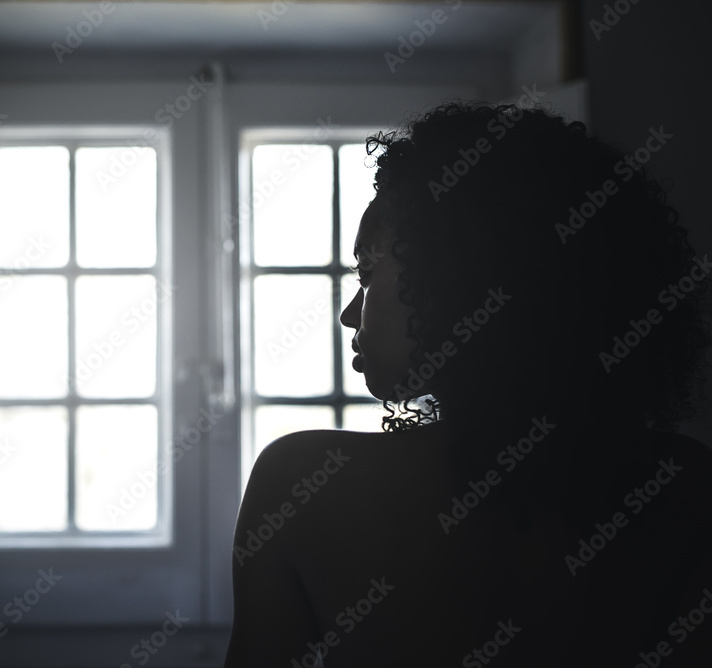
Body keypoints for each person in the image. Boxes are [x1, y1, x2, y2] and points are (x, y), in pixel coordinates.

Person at [225, 102, 712, 666]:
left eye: (368, 274)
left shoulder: (297, 483)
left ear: (452, 274)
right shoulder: (688, 488)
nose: (350, 314)